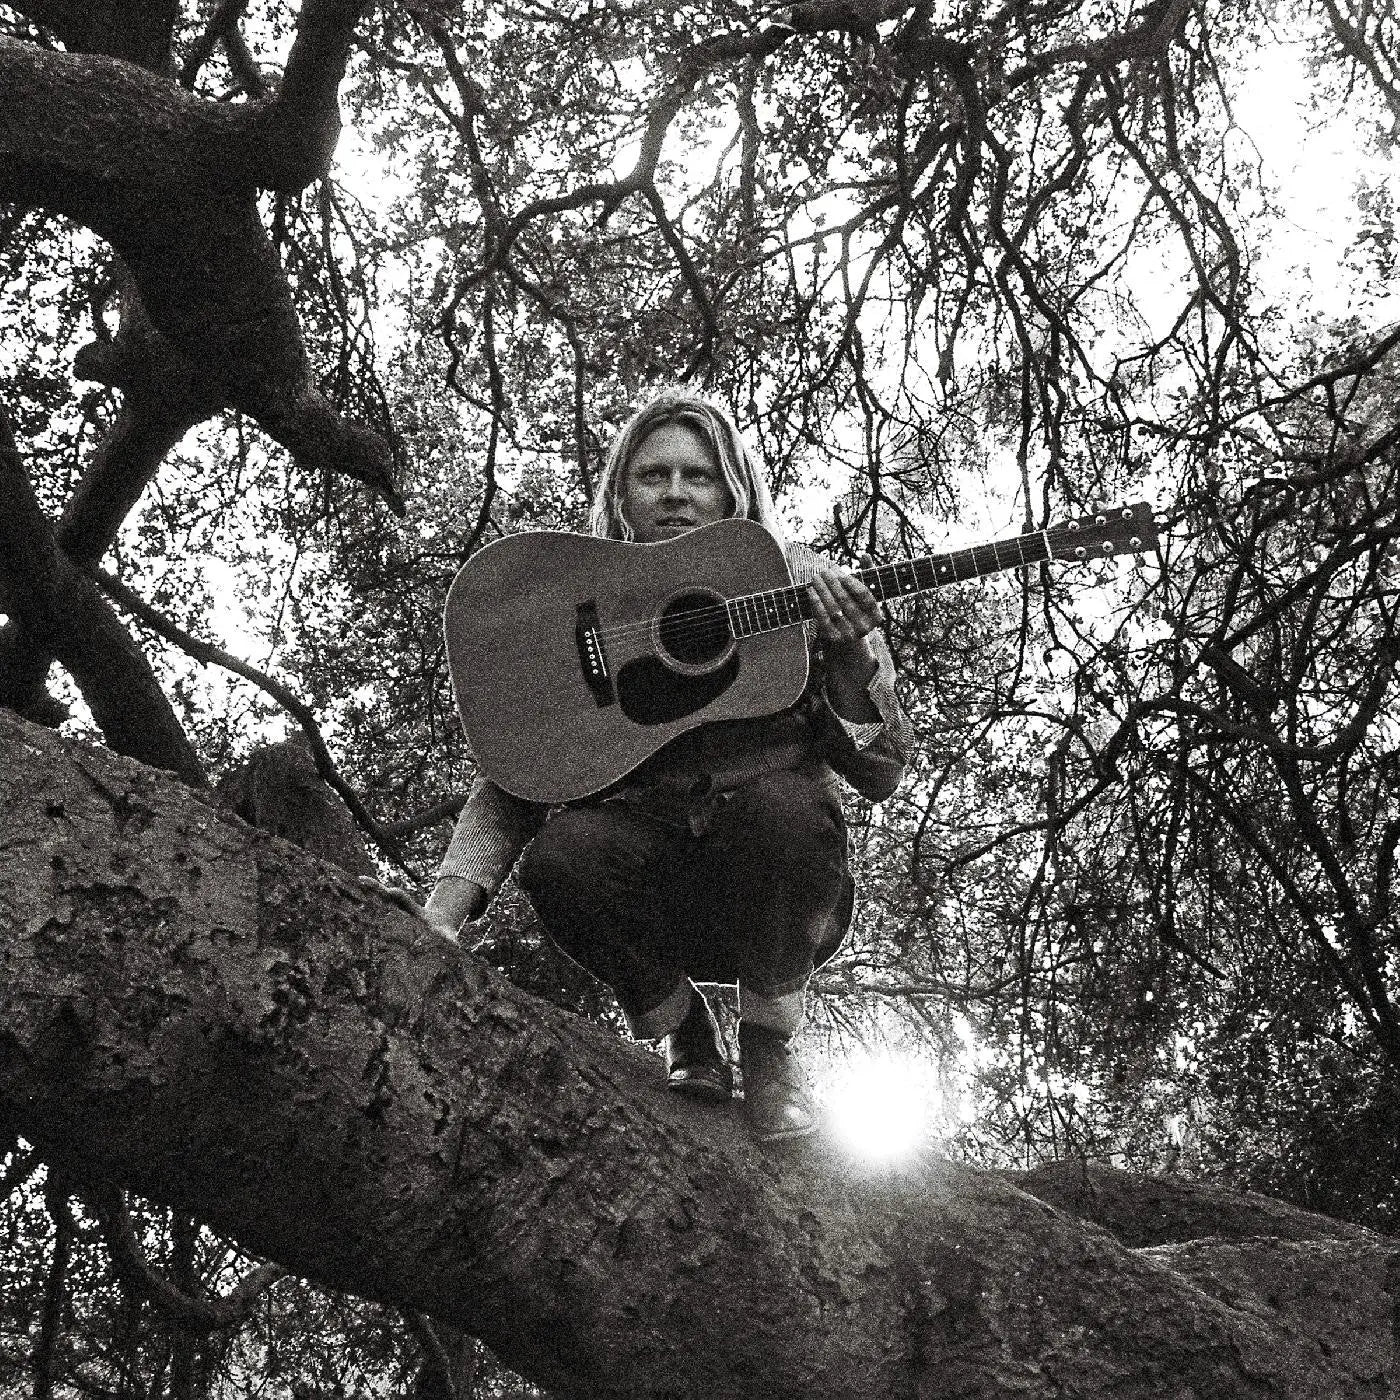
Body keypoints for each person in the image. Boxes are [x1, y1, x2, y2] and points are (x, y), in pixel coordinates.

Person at [424, 391, 911, 1141]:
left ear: (734, 490)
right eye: (654, 476)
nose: (677, 494)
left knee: (781, 809)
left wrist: (849, 653)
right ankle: (684, 1029)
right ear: (621, 492)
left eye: (699, 475)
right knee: (563, 856)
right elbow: (516, 771)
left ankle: (771, 1049)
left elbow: (881, 771)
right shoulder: (582, 604)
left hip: (777, 896)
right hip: (648, 898)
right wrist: (442, 914)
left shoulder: (799, 582)